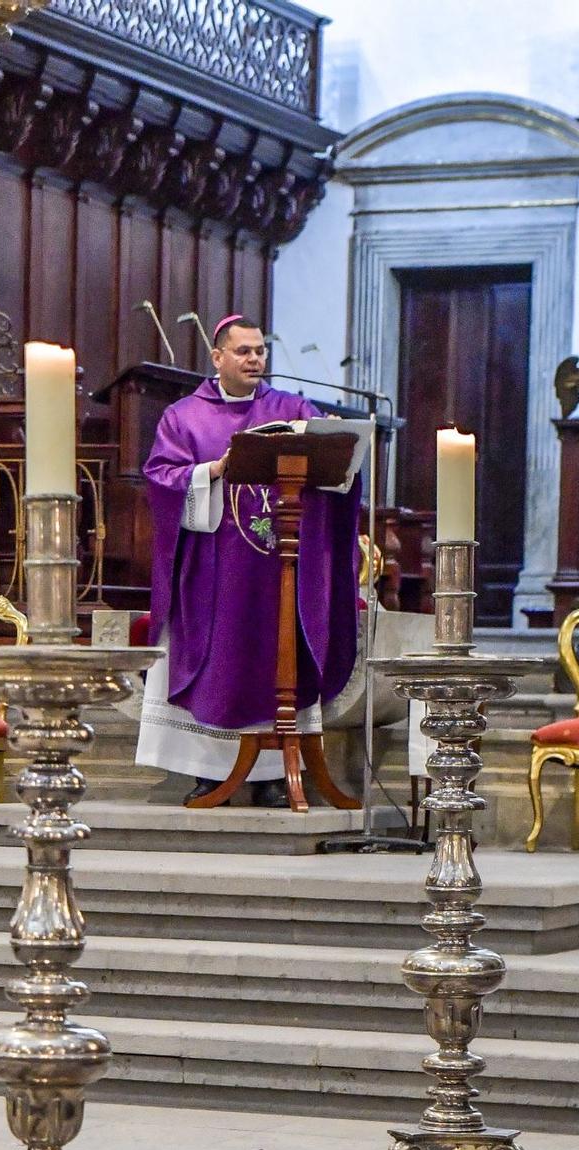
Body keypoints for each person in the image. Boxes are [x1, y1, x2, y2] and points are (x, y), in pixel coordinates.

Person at [135, 314, 360, 806]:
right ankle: (207, 772)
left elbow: (331, 466)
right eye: (243, 351)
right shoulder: (183, 417)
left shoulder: (292, 407)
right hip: (214, 574)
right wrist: (211, 471)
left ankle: (275, 772)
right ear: (218, 358)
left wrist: (333, 439)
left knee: (278, 656)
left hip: (280, 569)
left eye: (260, 351)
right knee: (216, 659)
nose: (255, 359)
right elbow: (160, 478)